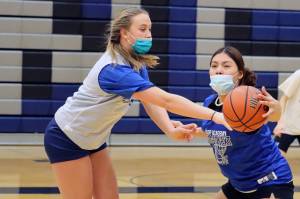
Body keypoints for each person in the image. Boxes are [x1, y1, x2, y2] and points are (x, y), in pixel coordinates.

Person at [44, 8, 230, 199]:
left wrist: (169, 129)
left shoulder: (134, 63)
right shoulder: (114, 70)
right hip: (67, 137)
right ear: (124, 33)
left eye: (150, 29)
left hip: (94, 139)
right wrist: (216, 115)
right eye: (142, 29)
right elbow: (166, 100)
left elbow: (150, 101)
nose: (148, 34)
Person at [193, 46, 294, 199]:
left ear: (240, 73)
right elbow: (219, 131)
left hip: (269, 179)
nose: (219, 70)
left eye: (226, 66)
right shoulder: (209, 102)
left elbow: (271, 116)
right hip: (240, 183)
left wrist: (278, 110)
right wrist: (194, 132)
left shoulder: (250, 100)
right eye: (214, 66)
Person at [273, 70, 300, 153]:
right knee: (274, 158)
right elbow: (283, 99)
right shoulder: (298, 75)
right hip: (288, 126)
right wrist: (280, 123)